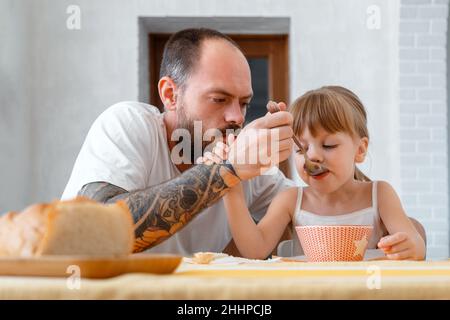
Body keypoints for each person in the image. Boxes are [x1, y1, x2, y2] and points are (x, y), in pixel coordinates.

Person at [61, 28, 295, 255]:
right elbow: (96, 231)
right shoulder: (128, 124)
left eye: (243, 103)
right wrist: (226, 172)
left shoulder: (246, 162)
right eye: (219, 99)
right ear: (170, 95)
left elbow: (313, 211)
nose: (237, 117)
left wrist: (312, 144)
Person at [200, 86, 426, 260]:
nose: (314, 156)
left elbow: (416, 245)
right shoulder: (290, 200)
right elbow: (254, 250)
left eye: (328, 145)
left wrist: (410, 248)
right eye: (301, 148)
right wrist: (231, 187)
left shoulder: (380, 195)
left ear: (360, 149)